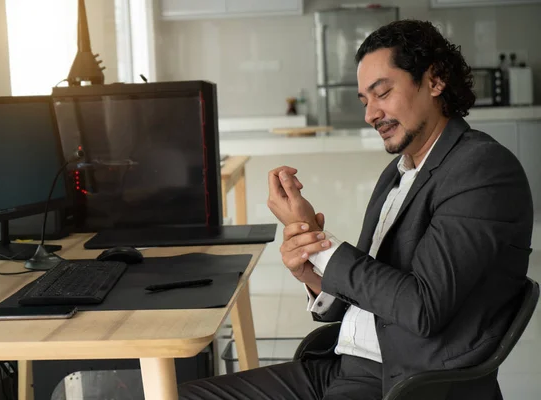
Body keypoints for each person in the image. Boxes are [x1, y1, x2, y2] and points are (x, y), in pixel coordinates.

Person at [178, 19, 533, 400]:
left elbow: (421, 308)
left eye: (382, 93)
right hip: (340, 366)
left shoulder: (481, 169)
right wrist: (312, 268)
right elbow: (373, 290)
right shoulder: (396, 174)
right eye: (365, 101)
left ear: (434, 80)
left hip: (401, 382)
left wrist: (323, 249)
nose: (370, 114)